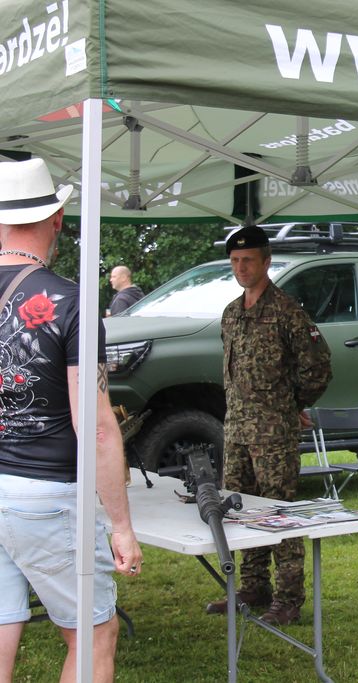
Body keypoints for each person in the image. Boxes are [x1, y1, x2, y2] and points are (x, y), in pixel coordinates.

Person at [0, 158, 143, 683]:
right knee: (93, 636)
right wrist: (122, 526)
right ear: (57, 218)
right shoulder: (68, 300)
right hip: (46, 493)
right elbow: (98, 427)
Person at [204, 225, 332, 627]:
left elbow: (318, 367)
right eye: (235, 261)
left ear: (266, 262)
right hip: (237, 431)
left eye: (248, 260)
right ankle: (253, 586)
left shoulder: (287, 312)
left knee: (279, 513)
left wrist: (293, 404)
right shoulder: (231, 312)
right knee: (240, 510)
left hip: (273, 433)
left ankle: (289, 597)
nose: (241, 268)